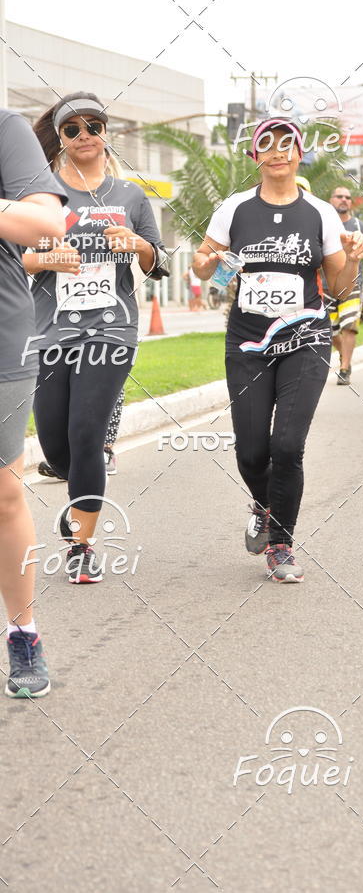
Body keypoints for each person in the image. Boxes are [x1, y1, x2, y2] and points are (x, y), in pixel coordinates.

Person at [192, 118, 363, 582]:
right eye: (266, 144)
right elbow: (204, 266)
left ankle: (281, 545)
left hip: (305, 339)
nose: (277, 151)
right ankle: (264, 503)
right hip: (248, 343)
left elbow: (338, 287)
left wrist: (352, 258)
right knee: (252, 453)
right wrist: (206, 262)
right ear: (255, 156)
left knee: (287, 446)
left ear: (299, 154)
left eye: (286, 143)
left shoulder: (320, 213)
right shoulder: (234, 208)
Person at [24, 92, 168, 582]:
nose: (84, 135)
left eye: (94, 126)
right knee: (56, 446)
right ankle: (86, 477)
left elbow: (159, 261)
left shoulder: (130, 196)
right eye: (73, 129)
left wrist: (138, 245)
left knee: (85, 433)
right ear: (61, 138)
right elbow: (15, 259)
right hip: (50, 333)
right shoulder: (41, 197)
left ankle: (80, 547)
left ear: (107, 133)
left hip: (111, 331)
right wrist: (47, 258)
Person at [0, 108, 66, 697]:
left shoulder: (5, 128)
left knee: (3, 493)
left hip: (1, 340)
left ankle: (23, 632)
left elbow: (47, 225)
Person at [324, 187, 363, 385]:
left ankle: (345, 368)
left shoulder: (358, 225)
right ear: (331, 200)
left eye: (347, 197)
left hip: (353, 285)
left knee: (349, 326)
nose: (344, 200)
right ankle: (343, 354)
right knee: (330, 331)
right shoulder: (324, 224)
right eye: (339, 196)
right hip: (325, 286)